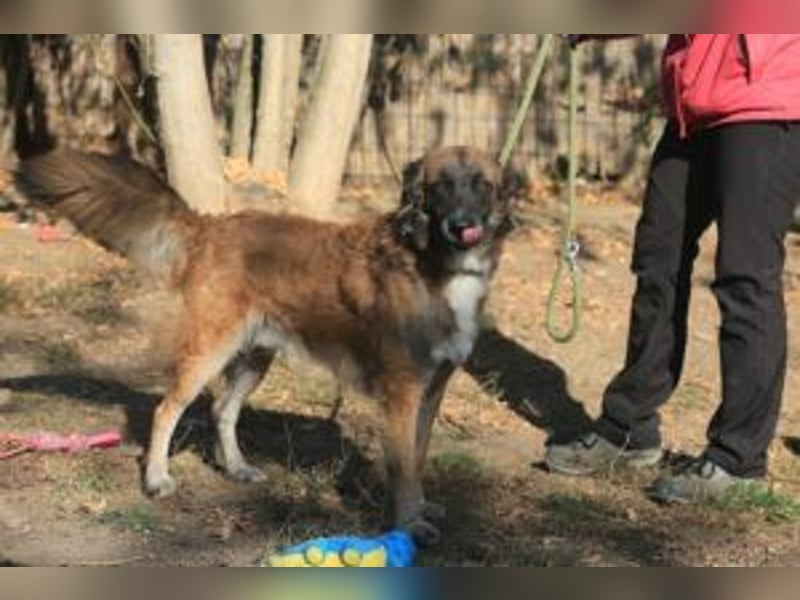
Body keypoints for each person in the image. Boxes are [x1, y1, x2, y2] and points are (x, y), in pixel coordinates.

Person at [546, 34, 800, 504]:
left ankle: (739, 459)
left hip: (766, 98)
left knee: (746, 276)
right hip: (695, 100)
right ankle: (630, 428)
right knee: (658, 258)